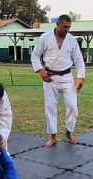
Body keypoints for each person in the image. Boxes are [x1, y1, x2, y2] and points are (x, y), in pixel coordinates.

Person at [31, 14, 86, 147]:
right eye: (64, 27)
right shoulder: (45, 37)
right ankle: (53, 136)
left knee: (72, 106)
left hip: (67, 77)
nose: (66, 29)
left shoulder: (72, 40)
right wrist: (40, 71)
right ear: (57, 25)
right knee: (50, 107)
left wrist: (80, 77)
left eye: (68, 27)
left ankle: (69, 132)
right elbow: (35, 56)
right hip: (50, 78)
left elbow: (79, 60)